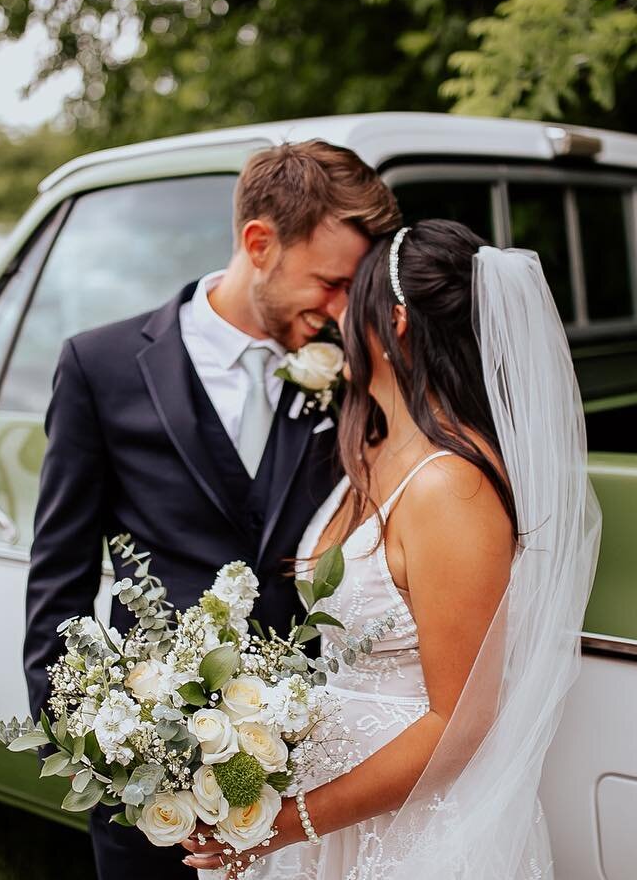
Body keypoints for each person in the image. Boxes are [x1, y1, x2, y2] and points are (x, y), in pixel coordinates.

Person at [24, 140, 402, 880]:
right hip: (153, 775)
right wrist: (91, 751)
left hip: (308, 768)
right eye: (328, 283)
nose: (337, 311)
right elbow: (57, 580)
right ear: (259, 243)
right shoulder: (99, 368)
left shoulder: (351, 374)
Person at [182, 220, 603, 879]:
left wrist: (289, 823)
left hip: (408, 827)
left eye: (350, 297)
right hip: (332, 802)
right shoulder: (374, 447)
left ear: (396, 322)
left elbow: (458, 721)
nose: (332, 312)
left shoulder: (449, 487)